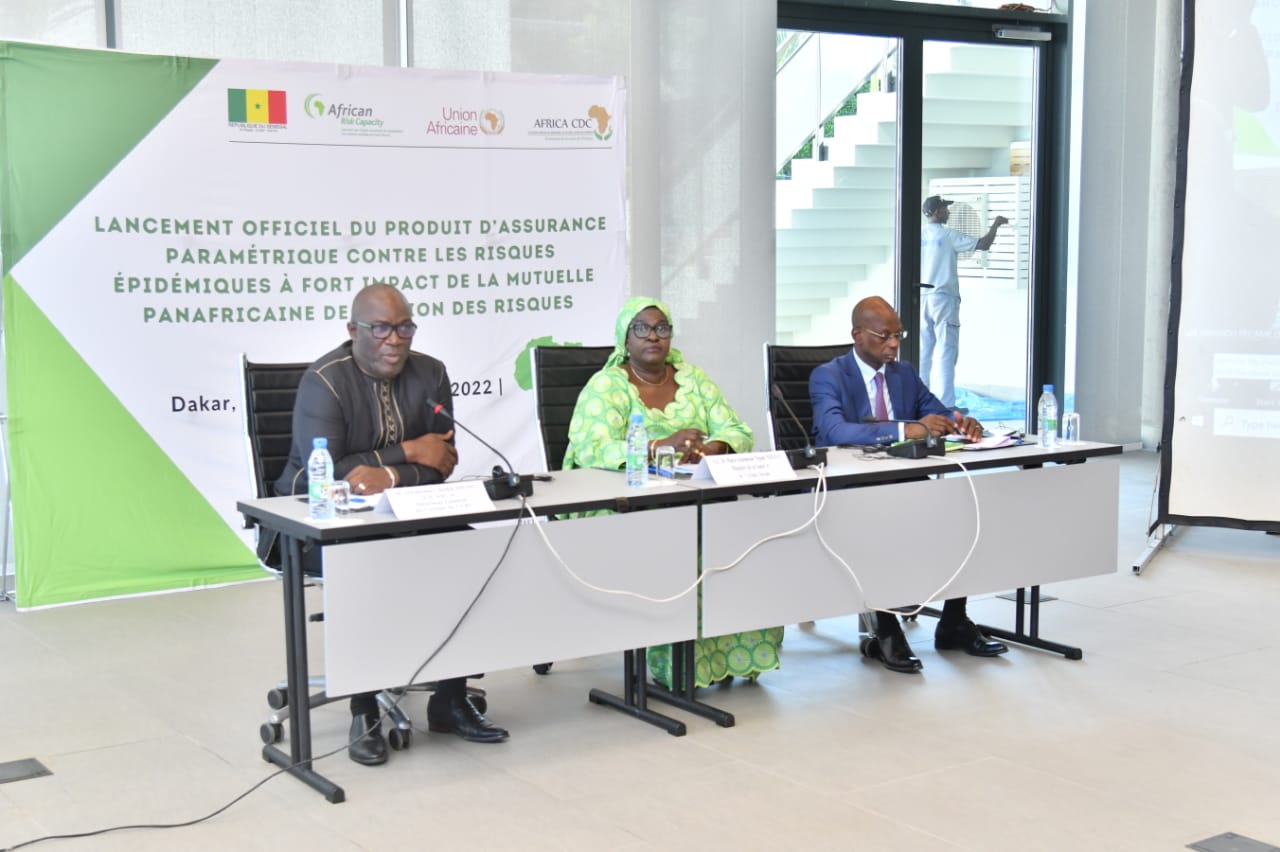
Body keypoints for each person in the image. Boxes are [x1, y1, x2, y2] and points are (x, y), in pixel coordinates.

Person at [274, 283, 508, 765]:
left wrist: (389, 474)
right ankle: (364, 709)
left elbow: (442, 462)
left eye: (404, 327)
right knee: (367, 564)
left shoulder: (431, 374)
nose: (395, 339)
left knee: (470, 554)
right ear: (353, 330)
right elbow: (329, 473)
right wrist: (408, 452)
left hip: (406, 513)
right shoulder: (325, 381)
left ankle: (450, 700)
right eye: (380, 328)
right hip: (312, 523)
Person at [562, 296, 781, 687]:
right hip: (625, 503)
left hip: (697, 494)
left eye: (662, 328)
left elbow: (737, 430)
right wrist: (659, 446)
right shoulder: (607, 385)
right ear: (625, 338)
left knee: (744, 535)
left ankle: (736, 655)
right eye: (642, 329)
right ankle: (677, 665)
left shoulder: (693, 378)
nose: (653, 336)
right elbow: (592, 449)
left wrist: (714, 447)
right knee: (678, 540)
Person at [810, 295, 1008, 673]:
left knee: (964, 507)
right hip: (850, 487)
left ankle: (954, 621)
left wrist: (960, 421)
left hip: (903, 479)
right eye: (883, 336)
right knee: (883, 524)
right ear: (857, 335)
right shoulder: (828, 375)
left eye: (898, 335)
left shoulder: (903, 374)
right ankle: (885, 629)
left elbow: (934, 410)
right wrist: (905, 430)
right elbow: (833, 431)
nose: (893, 344)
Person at [918, 195, 1008, 409]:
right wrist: (996, 224)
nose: (948, 212)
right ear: (938, 212)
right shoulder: (948, 235)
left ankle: (921, 402)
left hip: (921, 298)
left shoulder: (919, 235)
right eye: (945, 208)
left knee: (924, 352)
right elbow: (984, 244)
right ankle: (947, 403)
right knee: (947, 351)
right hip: (943, 299)